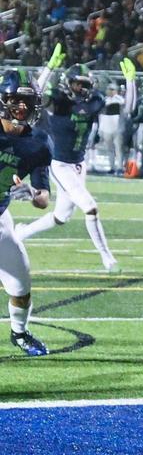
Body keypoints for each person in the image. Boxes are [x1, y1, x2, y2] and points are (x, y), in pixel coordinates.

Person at [18, 51, 134, 273]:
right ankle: (107, 257)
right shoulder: (59, 102)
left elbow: (127, 111)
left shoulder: (94, 101)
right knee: (90, 208)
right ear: (68, 84)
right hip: (59, 164)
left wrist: (130, 82)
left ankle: (22, 232)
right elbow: (35, 95)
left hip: (79, 165)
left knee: (60, 217)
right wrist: (49, 68)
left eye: (85, 84)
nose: (83, 89)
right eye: (78, 84)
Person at [0, 70, 54, 356]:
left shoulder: (39, 143)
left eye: (27, 100)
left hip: (0, 217)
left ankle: (19, 334)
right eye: (16, 100)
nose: (22, 106)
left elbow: (44, 199)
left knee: (21, 286)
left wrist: (31, 194)